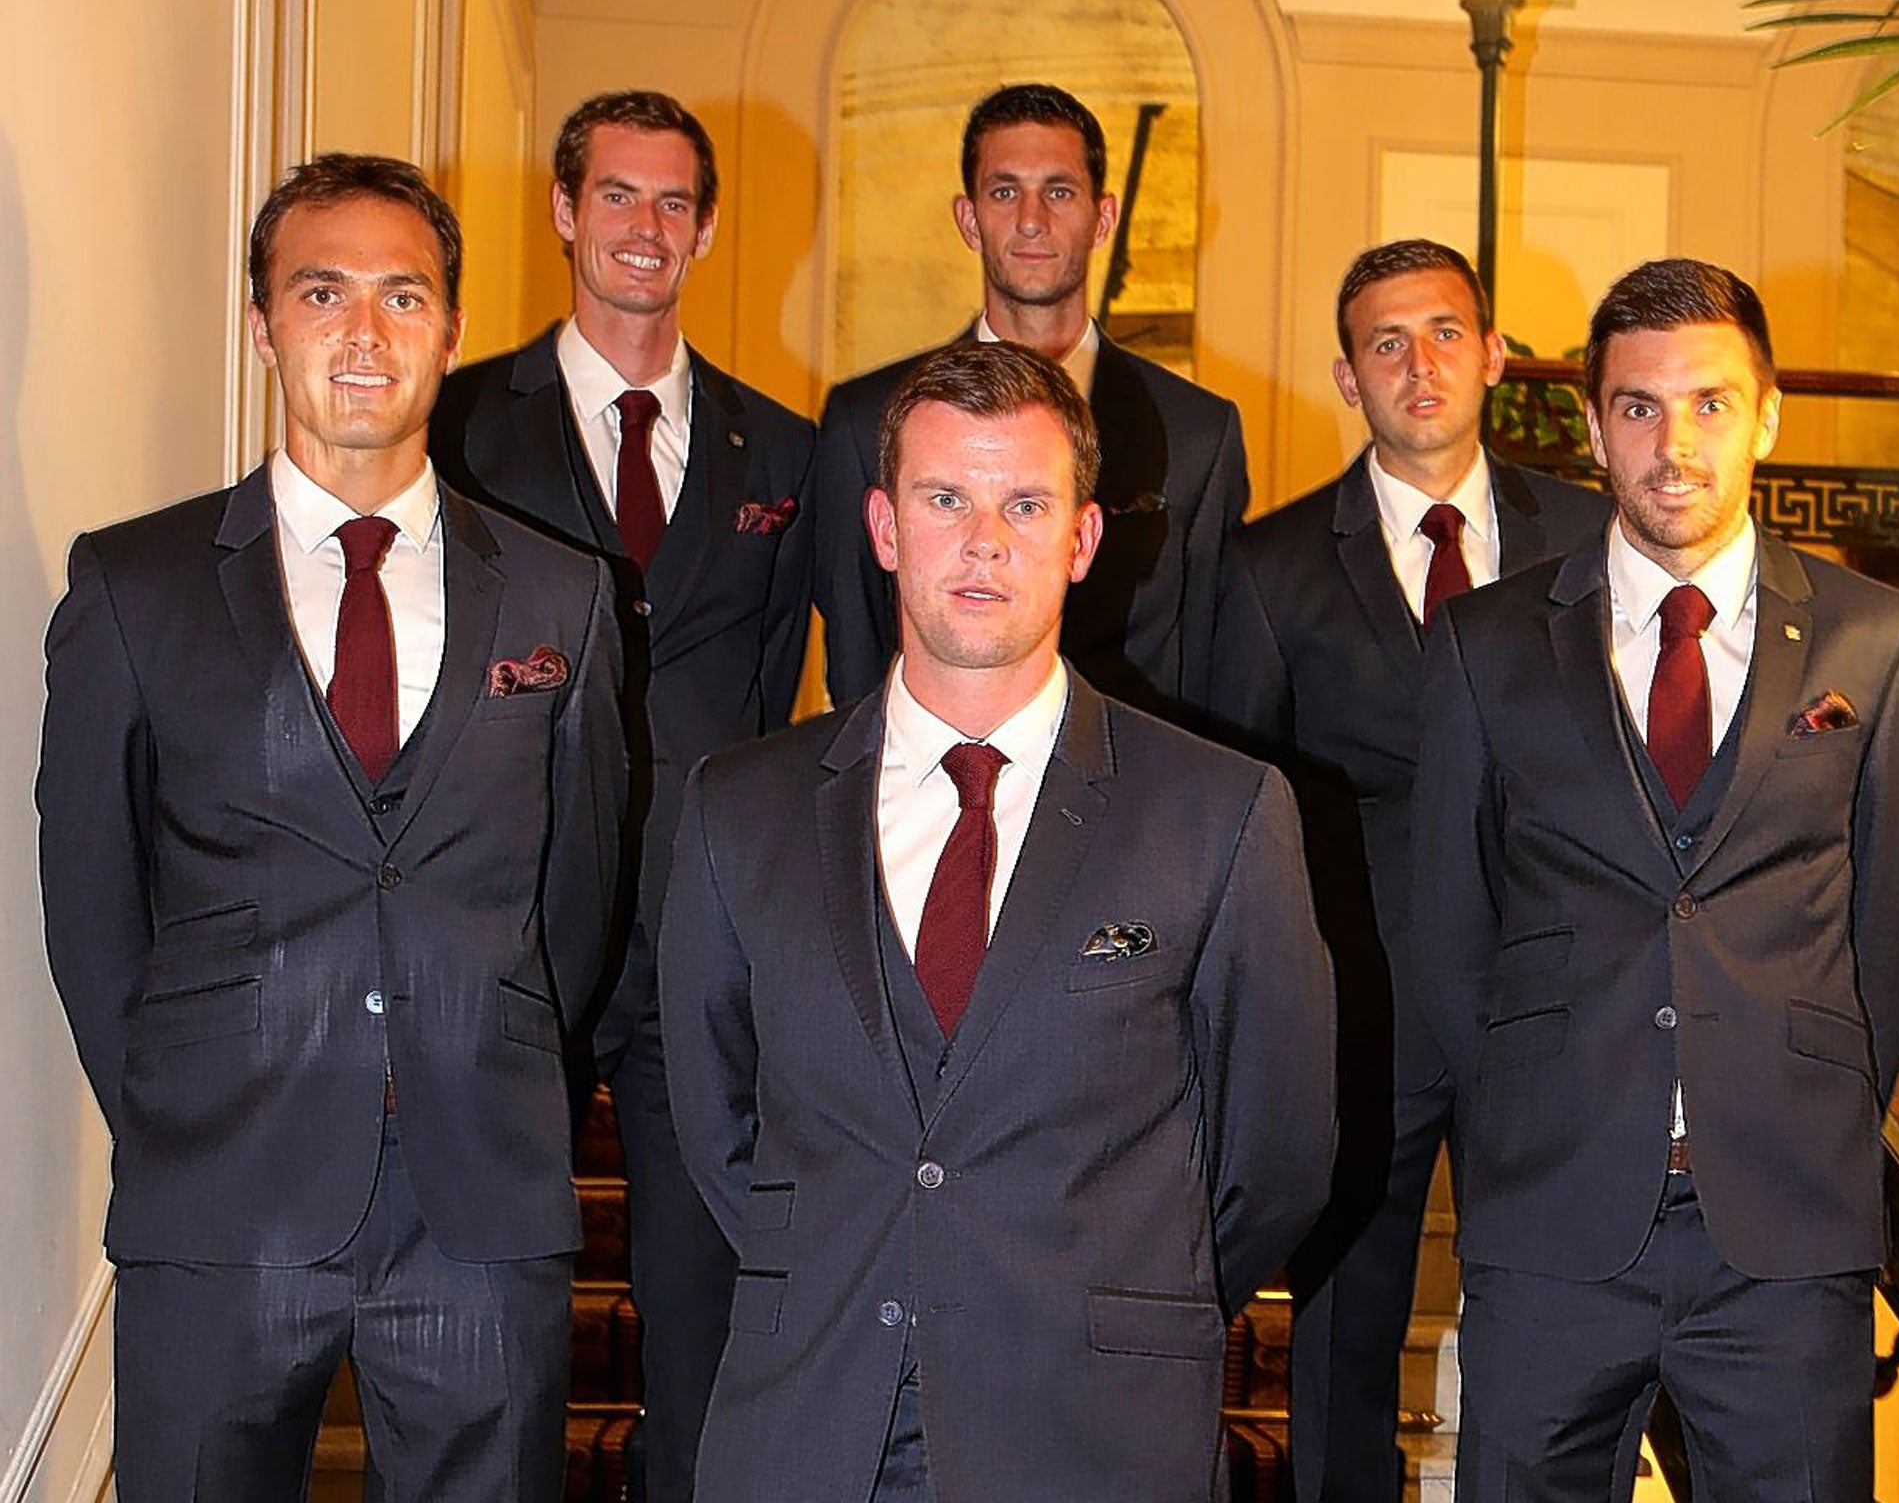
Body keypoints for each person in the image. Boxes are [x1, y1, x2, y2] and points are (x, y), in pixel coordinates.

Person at [37, 153, 624, 1502]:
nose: (365, 333)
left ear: (454, 330)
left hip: (483, 1199)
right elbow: (92, 906)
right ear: (263, 324)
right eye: (322, 293)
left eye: (403, 295)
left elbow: (578, 900)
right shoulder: (134, 587)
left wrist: (491, 1054)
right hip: (218, 1198)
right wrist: (179, 1111)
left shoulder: (561, 598)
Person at [661, 340, 1334, 1502]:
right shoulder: (738, 808)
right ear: (881, 527)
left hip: (1094, 1432)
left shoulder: (1219, 813)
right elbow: (719, 1125)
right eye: (943, 499)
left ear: (1081, 540)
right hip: (809, 1422)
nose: (983, 541)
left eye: (1024, 503)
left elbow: (1271, 1157)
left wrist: (1115, 1303)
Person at [1408, 258, 1899, 1501]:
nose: (1672, 443)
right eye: (1637, 407)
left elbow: (1884, 935)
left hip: (1784, 1234)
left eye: (1707, 402)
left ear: (1764, 415)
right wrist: (1525, 1135)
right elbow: (1446, 932)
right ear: (1593, 426)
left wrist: (1807, 1122)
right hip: (1552, 1225)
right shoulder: (1486, 644)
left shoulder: (1876, 638)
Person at [429, 88, 813, 1502]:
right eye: (616, 196)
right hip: (510, 931)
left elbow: (775, 692)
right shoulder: (464, 423)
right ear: (563, 210)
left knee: (704, 1307)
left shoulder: (783, 450)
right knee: (499, 1309)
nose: (643, 227)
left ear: (705, 228)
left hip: (705, 945)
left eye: (671, 203)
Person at [1212, 238, 1608, 1503]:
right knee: (1340, 1331)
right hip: (1360, 1013)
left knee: (1552, 1324)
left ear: (1493, 354)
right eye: (1385, 342)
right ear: (1345, 375)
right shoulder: (1268, 570)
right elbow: (1243, 816)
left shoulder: (1593, 535)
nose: (1417, 363)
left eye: (1443, 332)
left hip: (1556, 1006)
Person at [810, 81, 1247, 718]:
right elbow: (857, 650)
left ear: (1103, 217)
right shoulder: (863, 420)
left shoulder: (1198, 434)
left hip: (1134, 795)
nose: (1032, 219)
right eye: (1005, 191)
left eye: (1059, 191)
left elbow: (1208, 666)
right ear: (969, 217)